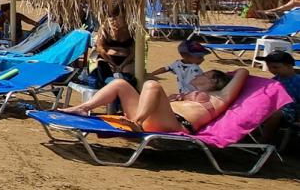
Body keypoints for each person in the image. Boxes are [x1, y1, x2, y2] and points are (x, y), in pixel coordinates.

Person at [62, 67, 249, 134]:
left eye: (205, 74)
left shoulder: (219, 98)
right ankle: (83, 107)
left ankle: (136, 121)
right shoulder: (189, 92)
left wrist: (228, 75)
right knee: (120, 83)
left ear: (214, 81)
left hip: (174, 124)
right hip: (156, 118)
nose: (200, 74)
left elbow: (244, 72)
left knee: (152, 85)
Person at [259, 51, 300, 141]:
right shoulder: (275, 80)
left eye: (276, 67)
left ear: (289, 66)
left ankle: (265, 141)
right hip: (274, 107)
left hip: (291, 112)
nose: (272, 70)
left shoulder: (298, 81)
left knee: (275, 114)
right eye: (269, 67)